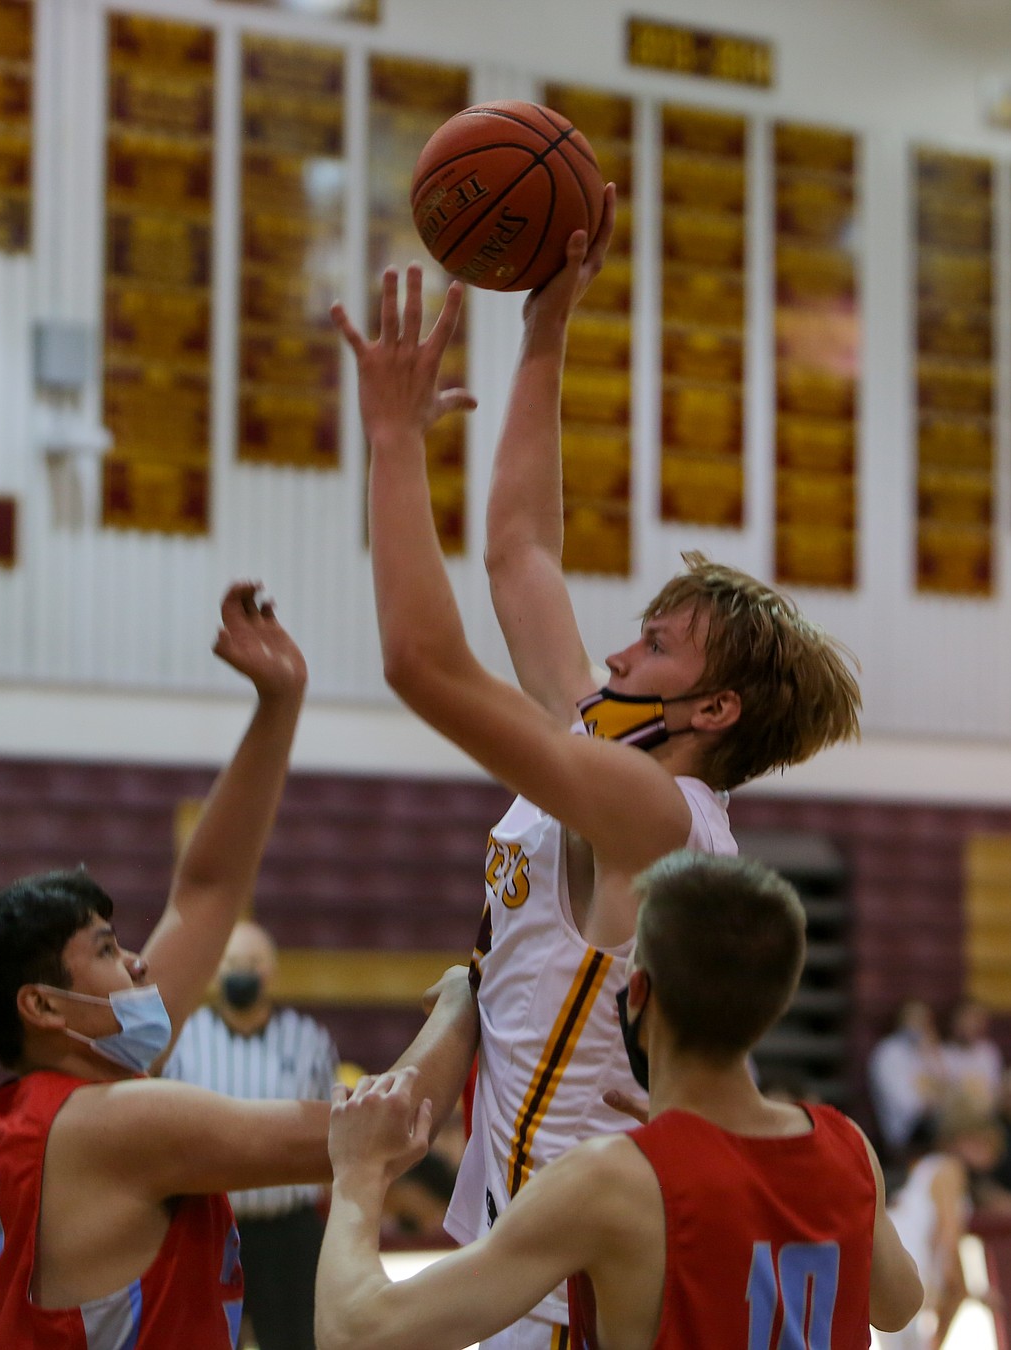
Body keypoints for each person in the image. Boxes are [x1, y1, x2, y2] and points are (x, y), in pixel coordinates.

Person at [331, 220, 862, 1344]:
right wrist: (547, 324)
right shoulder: (616, 766)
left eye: (657, 646)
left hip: (570, 1275)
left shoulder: (654, 813)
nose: (619, 655)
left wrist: (391, 442)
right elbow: (521, 552)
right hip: (524, 1244)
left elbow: (422, 665)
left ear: (710, 713)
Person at [0, 582, 478, 1350]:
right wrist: (473, 996)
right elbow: (380, 1129)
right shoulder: (118, 1122)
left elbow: (207, 891)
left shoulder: (72, 1100)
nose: (135, 960)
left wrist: (278, 704)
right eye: (105, 951)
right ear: (45, 1007)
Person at [315, 850, 923, 1350]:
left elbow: (358, 1332)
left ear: (638, 993)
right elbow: (899, 1307)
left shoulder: (612, 1184)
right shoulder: (847, 1147)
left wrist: (357, 1176)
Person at [162, 919, 339, 1350]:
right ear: (216, 971)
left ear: (272, 972)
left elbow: (331, 1136)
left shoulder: (309, 1040)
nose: (242, 971)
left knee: (299, 1342)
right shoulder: (184, 1039)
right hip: (207, 1225)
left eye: (253, 962)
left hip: (288, 1232)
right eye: (233, 962)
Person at [875, 1096, 1004, 1350]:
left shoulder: (933, 1169)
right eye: (979, 1142)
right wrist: (963, 1285)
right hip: (905, 1263)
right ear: (959, 1139)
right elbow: (948, 1231)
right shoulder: (949, 1168)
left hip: (892, 1262)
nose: (987, 1150)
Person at [869, 1000, 951, 1157]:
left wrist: (933, 1055)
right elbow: (904, 1104)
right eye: (914, 1018)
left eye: (924, 1019)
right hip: (906, 1129)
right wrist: (934, 1104)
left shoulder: (928, 1050)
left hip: (932, 1122)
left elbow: (948, 1087)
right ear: (902, 1019)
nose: (919, 1024)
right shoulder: (888, 1052)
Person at [941, 998, 1003, 1115]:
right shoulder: (942, 1053)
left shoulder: (989, 1050)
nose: (974, 1025)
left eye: (979, 1020)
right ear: (955, 1023)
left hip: (988, 1115)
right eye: (969, 1019)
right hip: (955, 1117)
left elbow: (996, 1090)